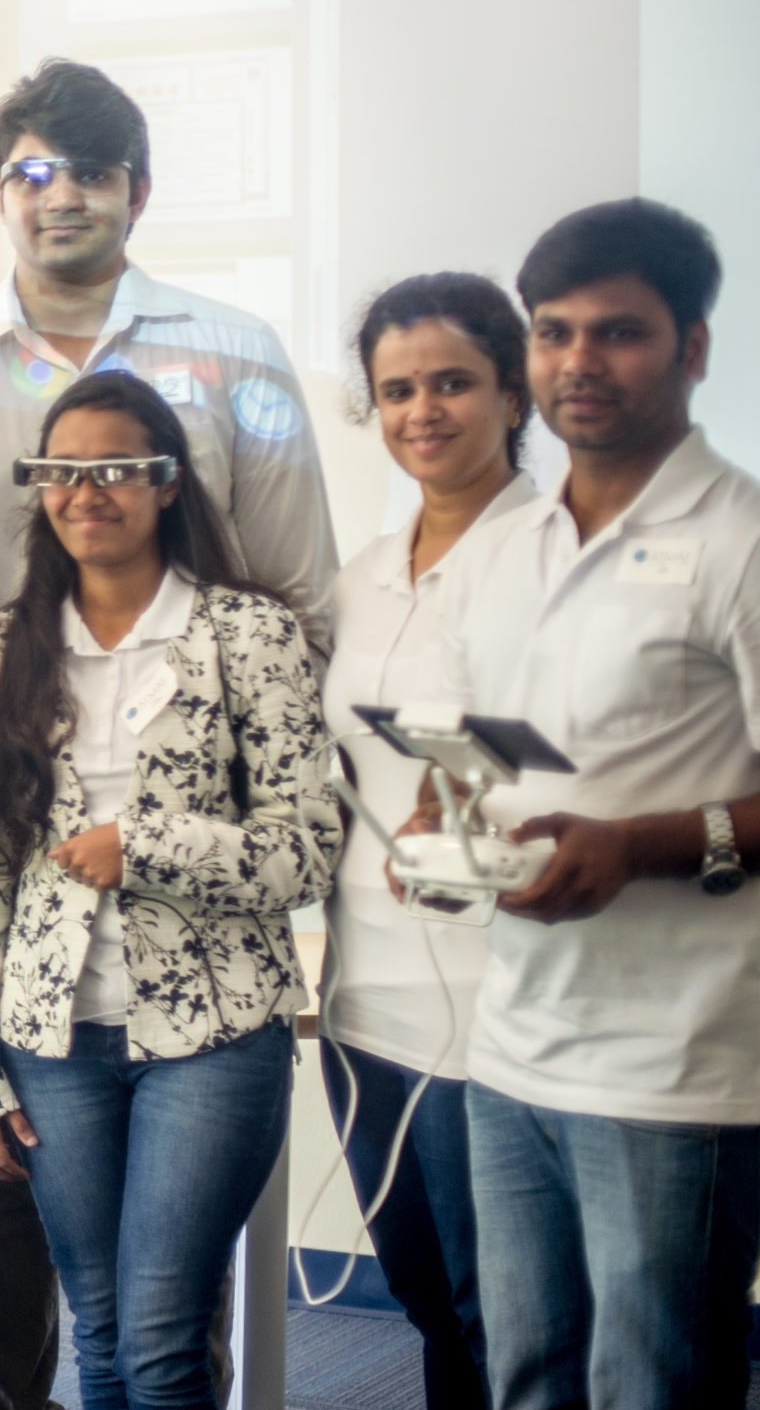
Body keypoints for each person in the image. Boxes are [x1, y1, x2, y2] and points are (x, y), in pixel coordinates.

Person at [0, 57, 340, 1410]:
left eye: (86, 168)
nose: (56, 193)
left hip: (195, 910)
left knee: (164, 1310)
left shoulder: (233, 354)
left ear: (137, 190)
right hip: (5, 876)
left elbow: (301, 594)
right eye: (28, 170)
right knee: (11, 1225)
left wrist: (201, 824)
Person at [0, 370, 338, 1410]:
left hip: (210, 1036)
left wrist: (149, 844)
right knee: (103, 1333)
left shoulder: (247, 634)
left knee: (159, 1334)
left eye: (116, 468)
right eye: (61, 471)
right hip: (50, 1038)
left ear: (166, 483)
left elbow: (307, 848)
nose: (86, 491)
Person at [430, 199, 759, 1410]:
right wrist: (441, 824)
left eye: (617, 332)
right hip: (513, 1043)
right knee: (527, 1380)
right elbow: (471, 749)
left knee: (653, 1384)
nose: (578, 362)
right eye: (552, 331)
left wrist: (639, 846)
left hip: (677, 1060)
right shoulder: (504, 546)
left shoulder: (741, 537)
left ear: (693, 347)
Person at [317, 273, 536, 1407]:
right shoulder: (359, 574)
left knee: (504, 1311)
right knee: (423, 1295)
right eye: (396, 389)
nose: (422, 411)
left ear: (514, 388)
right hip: (365, 1002)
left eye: (452, 381)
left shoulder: (560, 558)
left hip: (500, 1003)